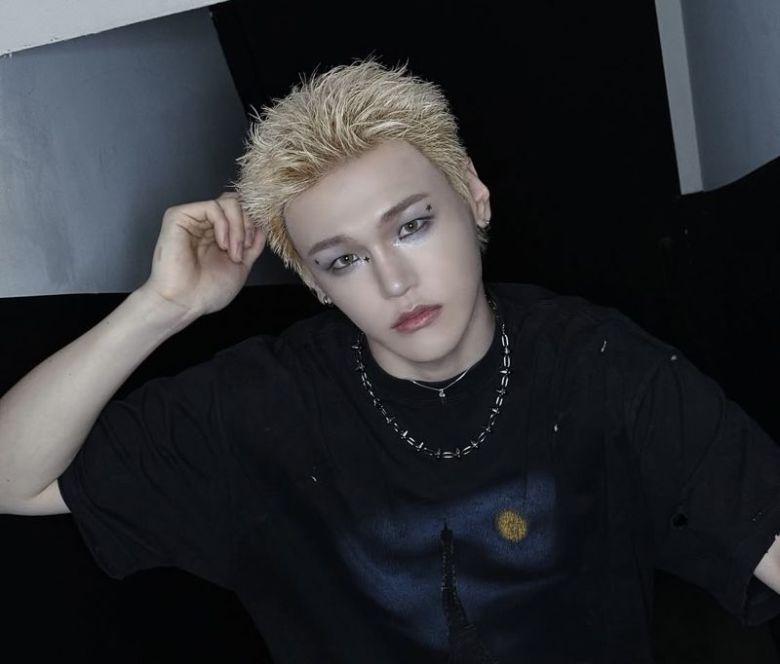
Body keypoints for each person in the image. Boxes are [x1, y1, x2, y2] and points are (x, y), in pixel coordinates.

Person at [0, 58, 779, 663]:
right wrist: (160, 307)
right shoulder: (265, 404)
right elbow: (13, 479)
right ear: (315, 283)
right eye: (343, 260)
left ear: (473, 196)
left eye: (411, 226)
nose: (394, 281)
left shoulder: (600, 366)